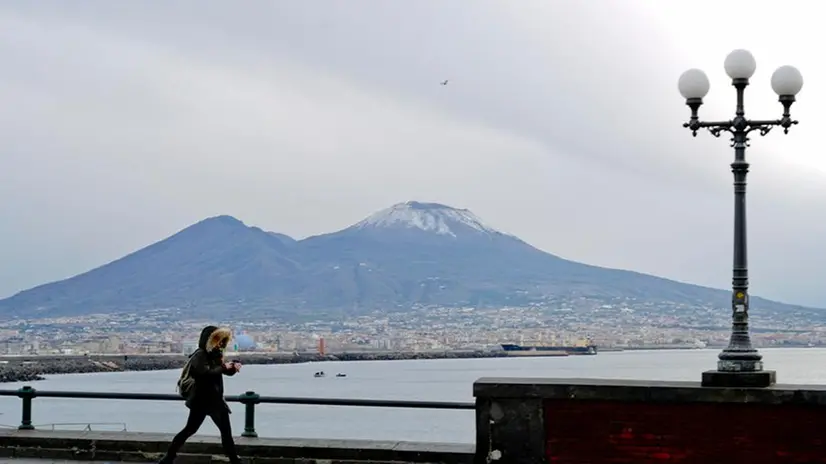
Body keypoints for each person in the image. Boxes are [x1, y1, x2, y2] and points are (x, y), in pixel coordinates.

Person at [159, 326, 243, 464]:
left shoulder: (215, 354)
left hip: (213, 399)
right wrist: (223, 367)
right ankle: (169, 456)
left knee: (222, 431)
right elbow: (203, 373)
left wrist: (233, 367)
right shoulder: (200, 355)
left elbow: (222, 371)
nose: (221, 344)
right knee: (191, 429)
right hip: (203, 399)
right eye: (218, 340)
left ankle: (234, 459)